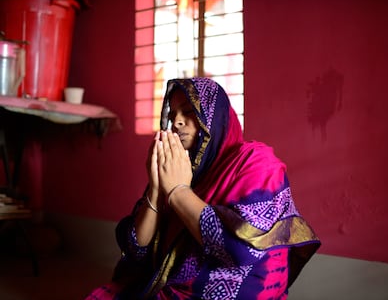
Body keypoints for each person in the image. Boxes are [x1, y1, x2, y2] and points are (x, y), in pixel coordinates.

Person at [85, 77, 320, 300]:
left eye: (189, 112)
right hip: (175, 287)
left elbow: (241, 249)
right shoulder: (178, 166)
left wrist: (177, 191)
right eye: (173, 113)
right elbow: (137, 248)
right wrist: (156, 190)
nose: (176, 121)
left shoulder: (255, 161)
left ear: (214, 119)